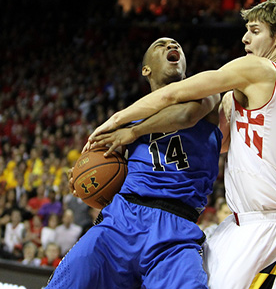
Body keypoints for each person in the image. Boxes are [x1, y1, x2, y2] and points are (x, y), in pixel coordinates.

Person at [88, 0, 276, 288]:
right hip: (254, 225)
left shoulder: (262, 69)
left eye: (255, 31)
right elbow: (225, 145)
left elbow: (174, 94)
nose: (244, 39)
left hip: (263, 228)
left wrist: (120, 123)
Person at [46, 37, 222, 288]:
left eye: (177, 45)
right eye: (160, 45)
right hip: (122, 218)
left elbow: (185, 115)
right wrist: (82, 180)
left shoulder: (208, 93)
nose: (172, 46)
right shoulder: (125, 122)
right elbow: (97, 163)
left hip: (176, 228)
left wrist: (134, 132)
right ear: (146, 69)